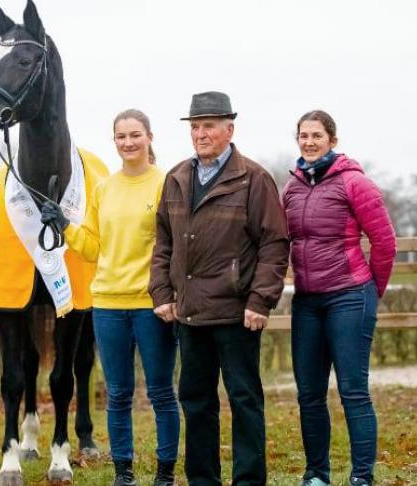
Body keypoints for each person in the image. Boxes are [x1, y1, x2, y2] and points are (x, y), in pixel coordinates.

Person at [149, 91, 290, 486]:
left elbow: (274, 244)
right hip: (190, 314)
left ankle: (248, 480)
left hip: (237, 313)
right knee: (196, 403)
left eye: (209, 125)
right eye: (195, 126)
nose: (201, 133)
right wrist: (161, 293)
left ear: (230, 129)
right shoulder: (177, 177)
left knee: (244, 401)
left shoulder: (253, 179)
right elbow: (162, 242)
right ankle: (203, 480)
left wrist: (261, 300)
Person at [41, 109, 179, 486]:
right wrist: (63, 225)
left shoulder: (167, 184)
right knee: (117, 394)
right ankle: (124, 473)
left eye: (135, 135)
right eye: (121, 137)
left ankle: (165, 473)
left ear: (150, 137)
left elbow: (177, 244)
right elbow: (92, 247)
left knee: (161, 392)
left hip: (152, 306)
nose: (128, 143)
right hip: (108, 305)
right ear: (114, 141)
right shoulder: (105, 188)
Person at [282, 110, 397, 486]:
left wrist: (371, 293)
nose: (309, 142)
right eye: (303, 135)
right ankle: (316, 474)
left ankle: (361, 477)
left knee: (352, 392)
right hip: (307, 303)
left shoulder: (354, 183)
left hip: (349, 296)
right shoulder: (291, 187)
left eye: (317, 135)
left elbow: (384, 241)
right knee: (309, 395)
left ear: (332, 139)